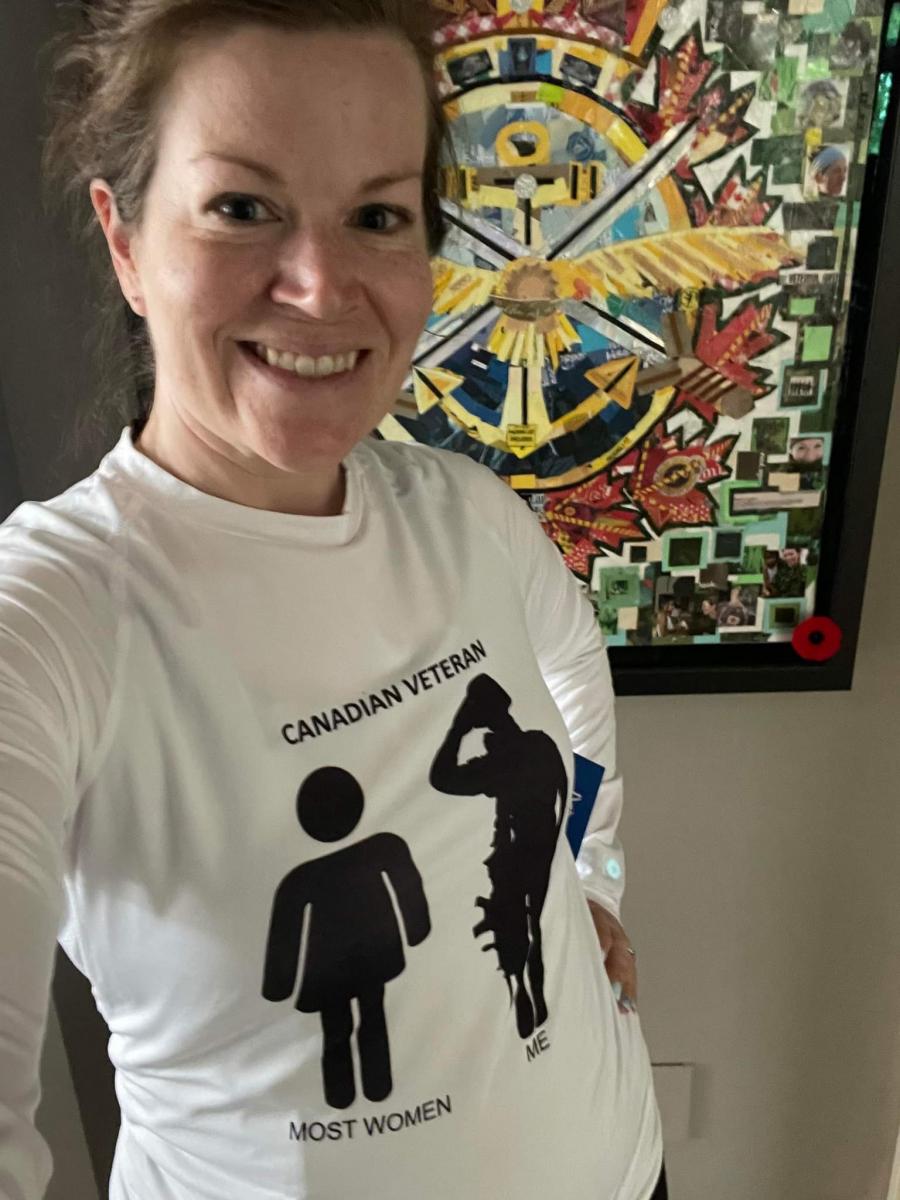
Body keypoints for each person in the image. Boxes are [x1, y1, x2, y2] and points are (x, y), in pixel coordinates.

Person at [0, 2, 664, 1199]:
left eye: (377, 216)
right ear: (125, 241)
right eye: (241, 207)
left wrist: (590, 876)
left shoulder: (468, 513)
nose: (318, 287)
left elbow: (573, 671)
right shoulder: (50, 615)